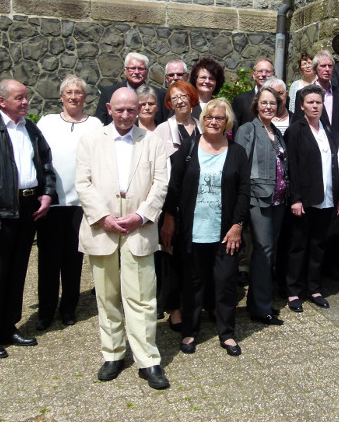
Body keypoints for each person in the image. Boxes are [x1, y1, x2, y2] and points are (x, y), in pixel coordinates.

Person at [75, 87, 169, 389]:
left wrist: (141, 215)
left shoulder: (152, 141)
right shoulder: (91, 140)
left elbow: (160, 183)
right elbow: (82, 182)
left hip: (138, 228)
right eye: (120, 110)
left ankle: (147, 360)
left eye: (132, 109)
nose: (127, 115)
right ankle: (113, 354)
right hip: (102, 228)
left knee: (142, 297)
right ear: (109, 108)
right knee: (107, 295)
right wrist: (103, 217)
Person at [0, 80, 56, 359]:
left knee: (18, 271)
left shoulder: (30, 128)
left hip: (28, 207)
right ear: (1, 100)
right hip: (0, 210)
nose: (25, 102)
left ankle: (8, 326)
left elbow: (44, 162)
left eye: (26, 98)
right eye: (19, 98)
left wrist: (47, 194)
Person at [162, 99, 249, 357]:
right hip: (192, 231)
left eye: (219, 118)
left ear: (227, 122)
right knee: (192, 282)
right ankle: (190, 330)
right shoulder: (188, 148)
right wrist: (168, 219)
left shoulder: (237, 152)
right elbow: (174, 188)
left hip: (225, 233)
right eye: (210, 117)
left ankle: (227, 333)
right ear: (203, 120)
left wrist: (237, 225)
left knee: (224, 282)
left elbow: (245, 192)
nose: (213, 122)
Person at [35, 75, 103, 330]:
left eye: (78, 92)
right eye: (69, 92)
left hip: (80, 204)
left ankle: (68, 309)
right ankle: (45, 310)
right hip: (51, 203)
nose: (74, 96)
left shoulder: (95, 124)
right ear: (61, 96)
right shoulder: (47, 122)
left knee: (73, 261)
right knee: (48, 260)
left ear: (85, 97)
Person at [284, 85, 339, 312]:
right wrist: (296, 198)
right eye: (310, 102)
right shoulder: (295, 130)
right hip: (305, 199)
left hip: (326, 198)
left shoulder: (326, 129)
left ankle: (314, 288)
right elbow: (293, 167)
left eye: (318, 102)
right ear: (302, 106)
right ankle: (293, 291)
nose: (315, 106)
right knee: (298, 246)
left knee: (318, 245)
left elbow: (334, 165)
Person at [235, 87, 288, 325]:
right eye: (264, 103)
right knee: (263, 251)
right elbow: (240, 168)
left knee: (269, 252)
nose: (268, 107)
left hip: (278, 199)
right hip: (258, 198)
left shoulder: (276, 132)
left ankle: (259, 302)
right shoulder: (248, 130)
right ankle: (260, 308)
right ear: (256, 105)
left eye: (273, 103)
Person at [154, 80, 202, 330]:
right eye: (174, 98)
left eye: (184, 95)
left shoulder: (203, 125)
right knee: (171, 256)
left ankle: (195, 302)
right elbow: (157, 170)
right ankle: (174, 308)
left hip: (200, 202)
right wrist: (167, 211)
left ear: (192, 98)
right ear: (169, 104)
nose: (180, 100)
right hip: (172, 202)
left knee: (194, 256)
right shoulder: (163, 130)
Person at [292, 50, 339, 144]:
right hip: (313, 145)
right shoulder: (303, 94)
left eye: (330, 66)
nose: (327, 69)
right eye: (323, 66)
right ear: (315, 69)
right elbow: (298, 124)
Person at [95, 52, 167, 125]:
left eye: (141, 69)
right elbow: (100, 123)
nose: (136, 72)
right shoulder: (109, 93)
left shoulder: (160, 95)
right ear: (125, 71)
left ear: (147, 72)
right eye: (132, 68)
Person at [232, 58, 275, 129]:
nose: (263, 74)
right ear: (254, 75)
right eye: (260, 71)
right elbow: (235, 128)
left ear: (274, 74)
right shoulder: (240, 100)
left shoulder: (282, 99)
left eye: (267, 71)